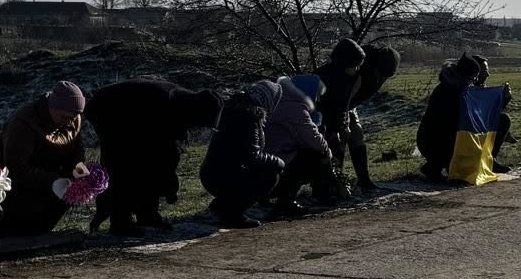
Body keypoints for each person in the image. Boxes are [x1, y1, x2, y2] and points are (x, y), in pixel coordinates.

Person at [84, 79, 224, 235]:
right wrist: (170, 187)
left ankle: (147, 215)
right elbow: (163, 155)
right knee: (124, 165)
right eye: (201, 123)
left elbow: (166, 154)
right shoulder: (165, 105)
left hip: (131, 111)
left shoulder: (183, 103)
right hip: (107, 108)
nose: (198, 128)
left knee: (148, 163)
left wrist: (168, 185)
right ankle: (120, 222)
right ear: (197, 114)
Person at [0, 80, 91, 236]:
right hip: (17, 186)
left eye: (73, 118)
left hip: (51, 178)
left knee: (70, 193)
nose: (68, 122)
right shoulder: (23, 123)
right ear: (52, 107)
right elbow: (16, 168)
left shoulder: (72, 119)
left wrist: (80, 173)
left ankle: (40, 232)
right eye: (64, 117)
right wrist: (55, 181)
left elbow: (77, 153)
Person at [201, 87, 286, 229]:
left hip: (212, 173)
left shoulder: (235, 109)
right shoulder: (248, 117)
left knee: (262, 169)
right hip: (222, 177)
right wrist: (278, 162)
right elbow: (252, 156)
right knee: (271, 175)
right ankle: (233, 215)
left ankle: (222, 205)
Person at [417, 54, 513, 180]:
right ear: (465, 76)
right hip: (435, 142)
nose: (474, 80)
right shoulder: (449, 91)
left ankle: (487, 160)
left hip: (444, 139)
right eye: (473, 77)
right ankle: (437, 164)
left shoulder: (460, 88)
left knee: (502, 120)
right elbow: (470, 118)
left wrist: (503, 99)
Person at [260, 75, 341, 218]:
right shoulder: (294, 107)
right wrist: (327, 152)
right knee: (317, 156)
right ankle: (289, 200)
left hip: (268, 157)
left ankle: (280, 199)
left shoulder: (278, 102)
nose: (317, 100)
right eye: (317, 95)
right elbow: (312, 137)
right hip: (280, 159)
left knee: (309, 154)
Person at [338, 44, 401, 193]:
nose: (382, 79)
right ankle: (335, 182)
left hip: (350, 104)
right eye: (381, 75)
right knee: (340, 138)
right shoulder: (359, 71)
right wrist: (343, 123)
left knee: (357, 134)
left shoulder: (383, 69)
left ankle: (364, 180)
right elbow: (345, 98)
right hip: (337, 103)